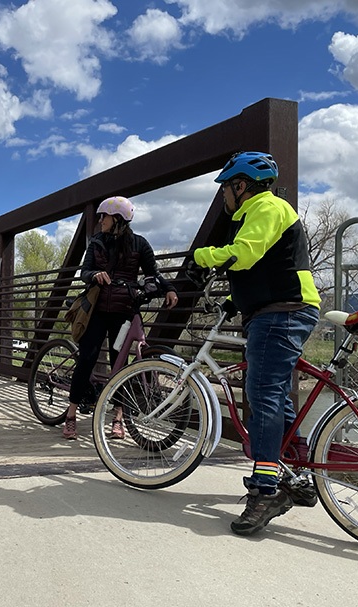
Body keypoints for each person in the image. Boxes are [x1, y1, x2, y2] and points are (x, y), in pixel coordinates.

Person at [186, 151, 321, 536]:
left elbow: (244, 255)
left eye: (225, 189)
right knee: (275, 394)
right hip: (279, 308)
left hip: (282, 312)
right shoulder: (257, 213)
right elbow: (266, 264)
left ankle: (265, 491)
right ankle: (296, 471)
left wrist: (201, 256)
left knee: (262, 394)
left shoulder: (266, 207)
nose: (223, 196)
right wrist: (234, 301)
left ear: (240, 185)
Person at [63, 196, 178, 440]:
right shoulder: (96, 242)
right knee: (87, 359)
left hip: (124, 312)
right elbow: (84, 272)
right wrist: (94, 275)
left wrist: (169, 288)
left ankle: (118, 418)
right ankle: (71, 415)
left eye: (103, 216)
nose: (100, 221)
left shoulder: (139, 244)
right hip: (97, 312)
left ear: (116, 218)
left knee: (121, 365)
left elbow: (153, 273)